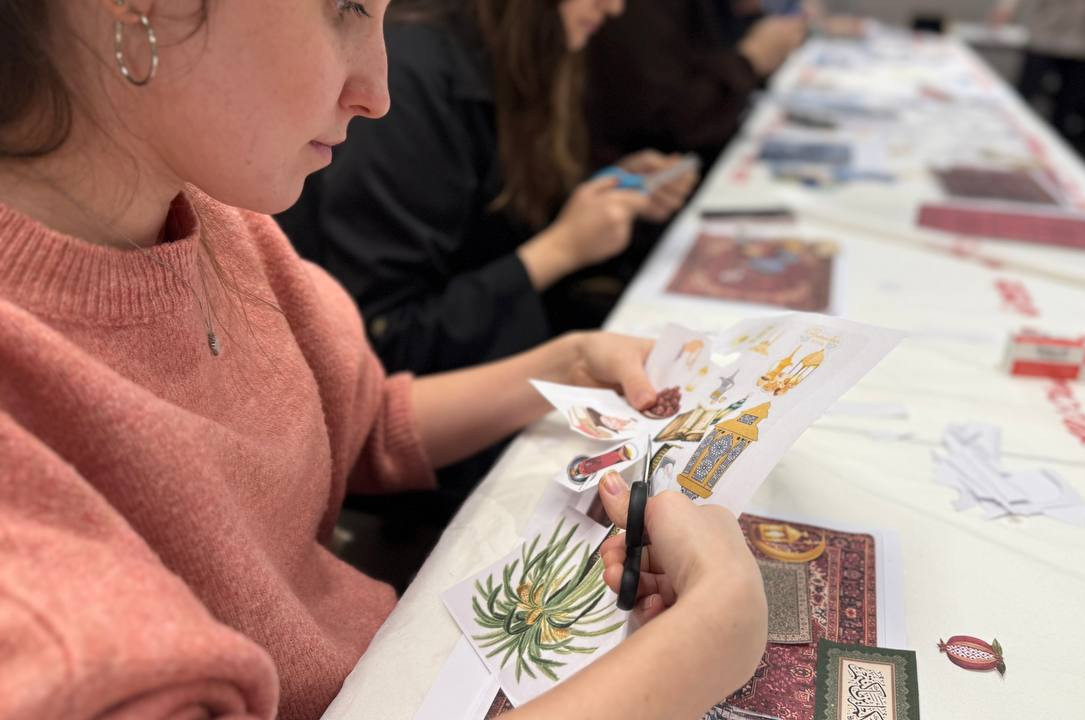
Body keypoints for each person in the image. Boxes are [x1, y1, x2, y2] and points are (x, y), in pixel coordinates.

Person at [0, 1, 766, 718]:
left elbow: (365, 421)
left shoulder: (218, 223)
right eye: (345, 8)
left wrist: (566, 362)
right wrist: (700, 647)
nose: (377, 94)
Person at [279, 0, 699, 381]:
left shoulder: (511, 55)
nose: (614, 7)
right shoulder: (412, 81)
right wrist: (561, 248)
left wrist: (606, 190)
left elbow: (494, 227)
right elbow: (390, 340)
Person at [584, 0, 808, 169]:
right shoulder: (640, 12)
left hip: (669, 169)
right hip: (675, 162)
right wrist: (750, 60)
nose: (614, 7)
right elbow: (672, 124)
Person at [989, 0, 1085, 143]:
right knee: (1024, 98)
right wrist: (1005, 7)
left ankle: (1049, 149)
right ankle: (1005, 140)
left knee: (1067, 110)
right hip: (1047, 33)